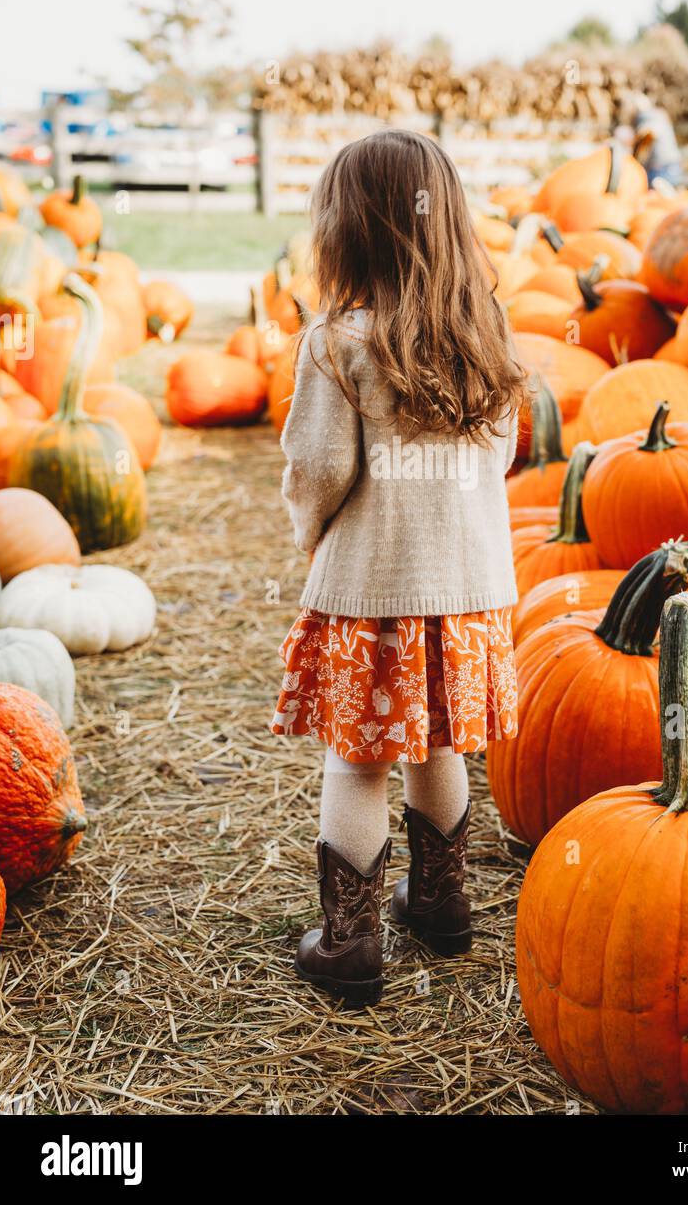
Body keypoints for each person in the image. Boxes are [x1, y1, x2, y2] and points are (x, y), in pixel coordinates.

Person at [272, 130, 524, 1007]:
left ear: (347, 233)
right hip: (470, 596)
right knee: (442, 743)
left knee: (357, 762)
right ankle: (444, 903)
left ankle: (349, 944)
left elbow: (318, 471)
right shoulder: (487, 336)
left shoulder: (338, 345)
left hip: (373, 595)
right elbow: (499, 460)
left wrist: (310, 534)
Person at [622, 92, 683, 189]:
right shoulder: (659, 116)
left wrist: (634, 157)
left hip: (660, 169)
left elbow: (648, 134)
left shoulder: (647, 117)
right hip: (671, 165)